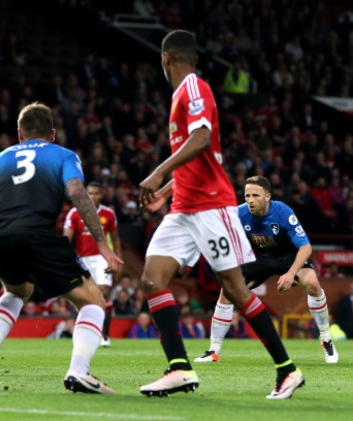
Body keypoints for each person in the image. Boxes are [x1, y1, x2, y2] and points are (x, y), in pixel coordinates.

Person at [137, 30, 303, 399]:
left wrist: (159, 172)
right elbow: (204, 158)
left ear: (166, 59)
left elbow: (201, 137)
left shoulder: (194, 88)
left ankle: (287, 370)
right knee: (151, 279)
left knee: (236, 290)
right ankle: (179, 368)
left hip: (212, 207)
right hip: (184, 208)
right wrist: (166, 192)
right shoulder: (181, 94)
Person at [0, 102, 123, 394]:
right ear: (52, 134)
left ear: (19, 133)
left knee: (17, 291)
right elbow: (78, 193)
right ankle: (79, 372)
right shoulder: (64, 155)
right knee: (93, 302)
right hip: (36, 235)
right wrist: (103, 245)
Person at [195, 176, 338, 363]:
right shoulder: (239, 213)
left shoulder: (283, 212)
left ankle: (326, 339)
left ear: (267, 196)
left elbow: (306, 248)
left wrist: (291, 273)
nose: (250, 200)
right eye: (247, 195)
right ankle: (213, 352)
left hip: (288, 257)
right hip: (258, 258)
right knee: (227, 291)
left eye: (255, 195)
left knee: (312, 283)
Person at [64, 181, 122, 347]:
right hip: (82, 259)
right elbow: (66, 238)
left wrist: (118, 259)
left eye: (96, 193)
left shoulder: (108, 214)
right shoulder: (74, 213)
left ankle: (105, 335)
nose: (93, 196)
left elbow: (116, 238)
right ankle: (84, 333)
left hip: (101, 258)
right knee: (83, 296)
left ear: (101, 195)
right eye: (90, 193)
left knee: (104, 292)